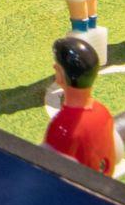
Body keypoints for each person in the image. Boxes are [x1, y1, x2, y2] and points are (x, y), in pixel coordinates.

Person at [42, 35, 119, 176]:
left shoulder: (61, 127)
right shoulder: (103, 112)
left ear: (60, 74)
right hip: (102, 183)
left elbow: (49, 171)